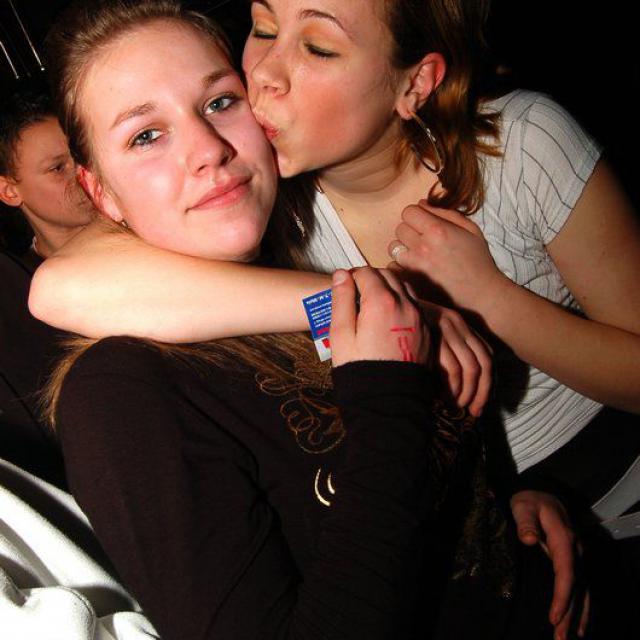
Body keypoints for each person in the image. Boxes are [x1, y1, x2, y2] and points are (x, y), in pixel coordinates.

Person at [39, 1, 577, 638]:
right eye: (146, 136)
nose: (208, 150)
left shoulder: (302, 261)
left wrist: (508, 504)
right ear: (99, 192)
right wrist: (386, 393)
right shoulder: (119, 394)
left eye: (219, 102)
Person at [0, 81, 93, 486]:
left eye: (80, 156)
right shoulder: (20, 300)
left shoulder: (161, 237)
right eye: (57, 168)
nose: (82, 173)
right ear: (9, 190)